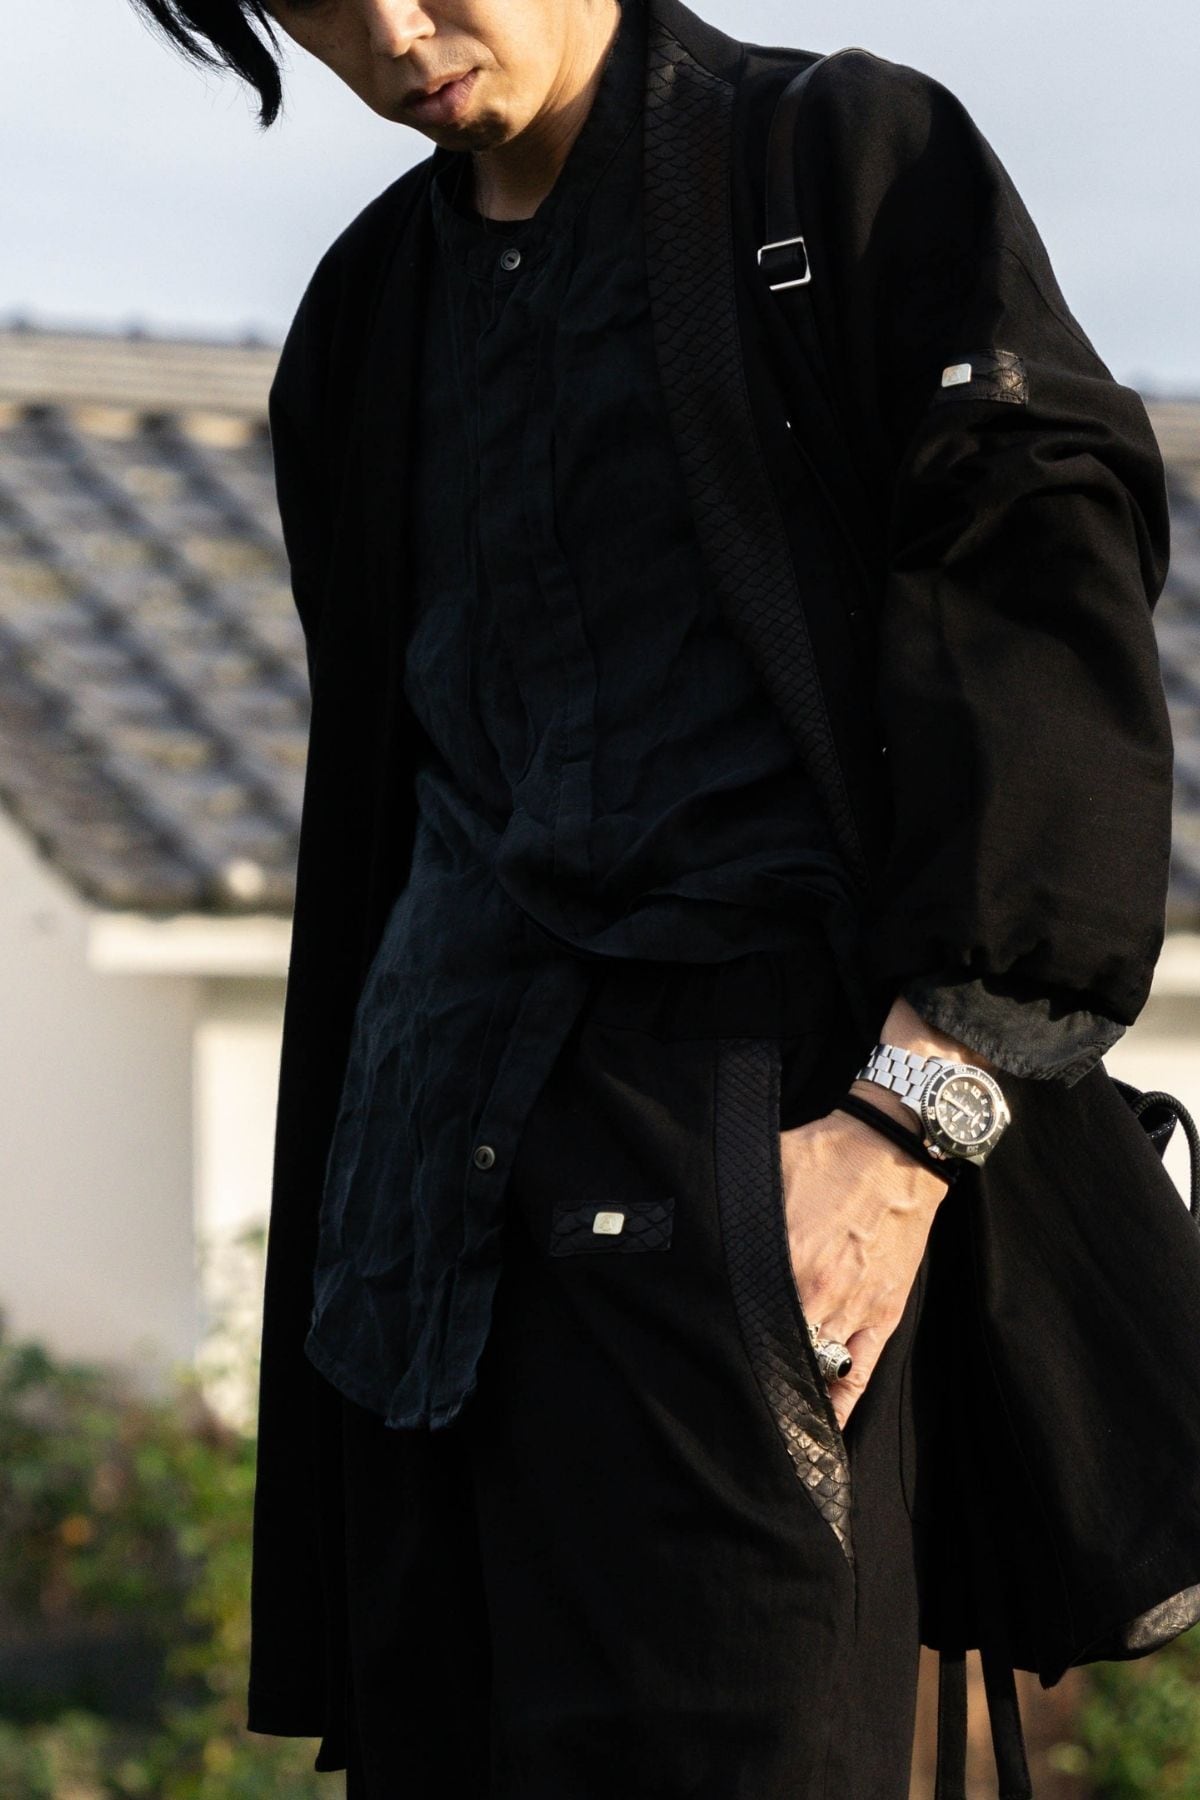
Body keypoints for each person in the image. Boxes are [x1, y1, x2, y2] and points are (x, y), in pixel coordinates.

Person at [134, 0, 1174, 1793]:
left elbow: (1040, 608)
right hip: (421, 1244)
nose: (389, 31)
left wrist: (906, 1127)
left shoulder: (837, 166)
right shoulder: (366, 316)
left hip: (745, 1171)